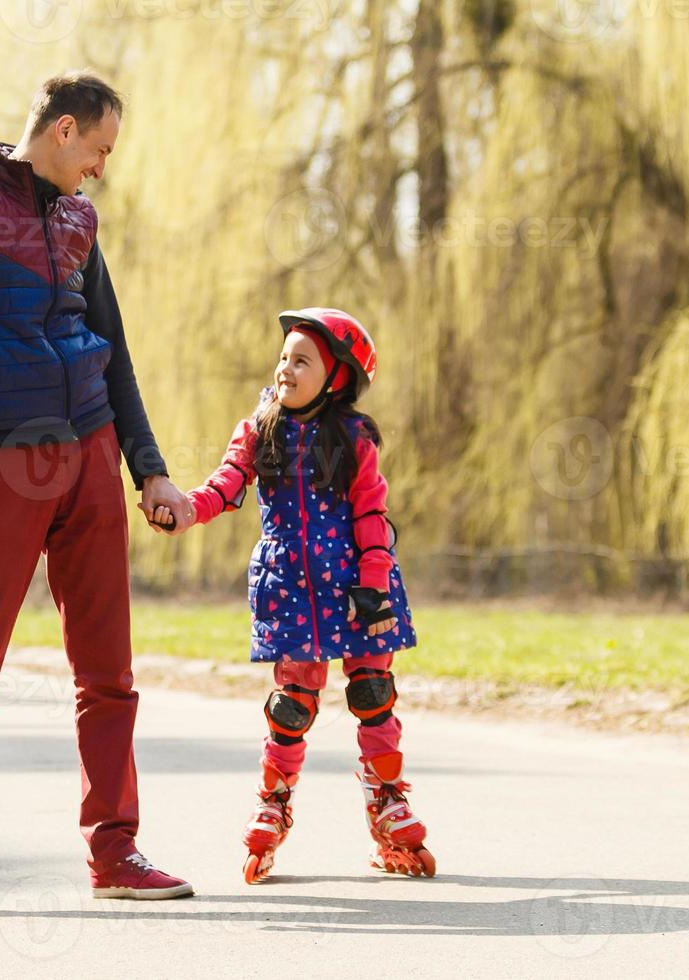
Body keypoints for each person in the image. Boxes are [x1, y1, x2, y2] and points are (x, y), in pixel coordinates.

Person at [0, 70, 194, 921]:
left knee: (109, 673)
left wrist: (147, 467)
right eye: (97, 149)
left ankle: (116, 848)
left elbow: (113, 349)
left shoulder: (80, 218)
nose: (100, 168)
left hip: (89, 452)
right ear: (61, 131)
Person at [158, 307, 433, 883]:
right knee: (292, 705)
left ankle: (386, 797)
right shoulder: (260, 428)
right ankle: (274, 800)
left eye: (301, 360)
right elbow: (226, 485)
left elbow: (371, 513)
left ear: (336, 378)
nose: (285, 368)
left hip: (359, 585)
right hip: (291, 589)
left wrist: (376, 585)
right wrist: (186, 510)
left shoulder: (354, 438)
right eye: (283, 357)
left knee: (372, 693)